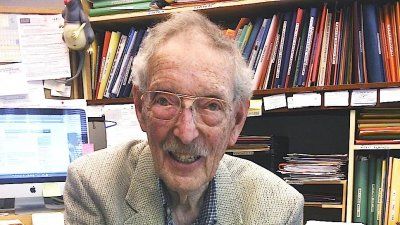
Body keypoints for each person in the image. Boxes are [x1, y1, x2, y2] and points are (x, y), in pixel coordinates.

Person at [64, 11, 304, 225]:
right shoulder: (92, 186)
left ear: (237, 120)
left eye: (211, 105)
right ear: (140, 107)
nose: (186, 133)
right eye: (165, 101)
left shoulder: (279, 208)